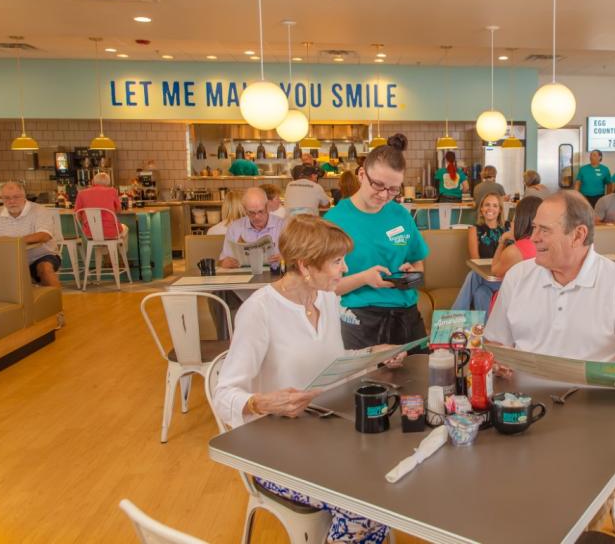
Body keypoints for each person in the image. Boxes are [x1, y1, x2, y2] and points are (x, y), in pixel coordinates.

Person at [214, 215, 391, 543]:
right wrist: (261, 402)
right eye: (337, 262)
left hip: (328, 437)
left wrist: (374, 356)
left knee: (387, 480)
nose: (345, 269)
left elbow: (332, 365)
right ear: (305, 266)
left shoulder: (325, 298)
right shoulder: (260, 311)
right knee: (366, 503)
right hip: (276, 456)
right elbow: (223, 393)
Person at [485, 190, 615, 407]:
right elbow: (494, 344)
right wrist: (495, 363)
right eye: (534, 227)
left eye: (544, 230)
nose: (533, 237)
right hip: (521, 405)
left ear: (578, 235)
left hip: (597, 410)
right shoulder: (518, 276)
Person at [325, 134, 429, 349]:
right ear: (362, 174)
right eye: (378, 185)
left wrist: (413, 274)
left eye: (393, 189)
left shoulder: (400, 215)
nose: (384, 195)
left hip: (407, 314)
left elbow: (418, 262)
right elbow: (326, 288)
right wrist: (363, 278)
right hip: (361, 319)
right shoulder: (334, 221)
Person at [0, 182, 61, 289]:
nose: (11, 201)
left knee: (45, 268)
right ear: (1, 198)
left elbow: (44, 235)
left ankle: (56, 304)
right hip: (8, 259)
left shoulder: (39, 210)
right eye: (6, 198)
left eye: (16, 197)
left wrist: (15, 242)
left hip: (40, 256)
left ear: (24, 197)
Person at [452, 192, 509, 312]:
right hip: (485, 279)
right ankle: (486, 329)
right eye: (487, 205)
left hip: (505, 279)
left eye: (495, 205)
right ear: (482, 209)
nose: (490, 208)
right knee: (480, 292)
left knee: (474, 276)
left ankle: (453, 319)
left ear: (500, 210)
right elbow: (476, 263)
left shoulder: (509, 228)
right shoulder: (474, 230)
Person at [218, 187, 284, 269]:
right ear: (244, 209)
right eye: (251, 212)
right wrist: (225, 263)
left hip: (275, 274)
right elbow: (222, 261)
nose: (257, 217)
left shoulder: (282, 225)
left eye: (260, 211)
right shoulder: (235, 228)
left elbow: (297, 258)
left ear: (267, 206)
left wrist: (285, 259)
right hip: (243, 277)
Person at [74, 172, 128, 243]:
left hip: (89, 233)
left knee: (97, 236)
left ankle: (103, 254)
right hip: (111, 232)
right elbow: (119, 210)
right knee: (125, 228)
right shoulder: (112, 191)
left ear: (93, 181)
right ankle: (120, 253)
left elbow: (77, 215)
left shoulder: (81, 193)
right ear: (108, 182)